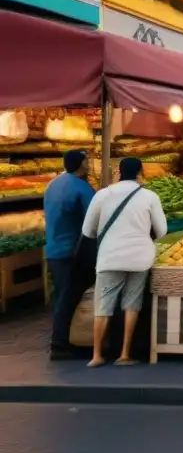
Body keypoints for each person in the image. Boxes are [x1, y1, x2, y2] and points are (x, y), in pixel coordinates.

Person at [81, 157, 167, 367]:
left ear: (118, 172)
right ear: (141, 172)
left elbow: (87, 231)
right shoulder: (149, 196)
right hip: (140, 257)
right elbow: (162, 230)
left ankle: (97, 355)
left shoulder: (103, 195)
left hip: (110, 256)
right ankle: (125, 353)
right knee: (132, 303)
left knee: (103, 304)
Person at [43, 150, 95, 360]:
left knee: (61, 295)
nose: (89, 163)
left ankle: (64, 338)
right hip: (71, 251)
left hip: (53, 248)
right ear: (81, 163)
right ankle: (59, 343)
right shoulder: (82, 189)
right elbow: (95, 220)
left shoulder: (52, 185)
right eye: (87, 160)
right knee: (68, 297)